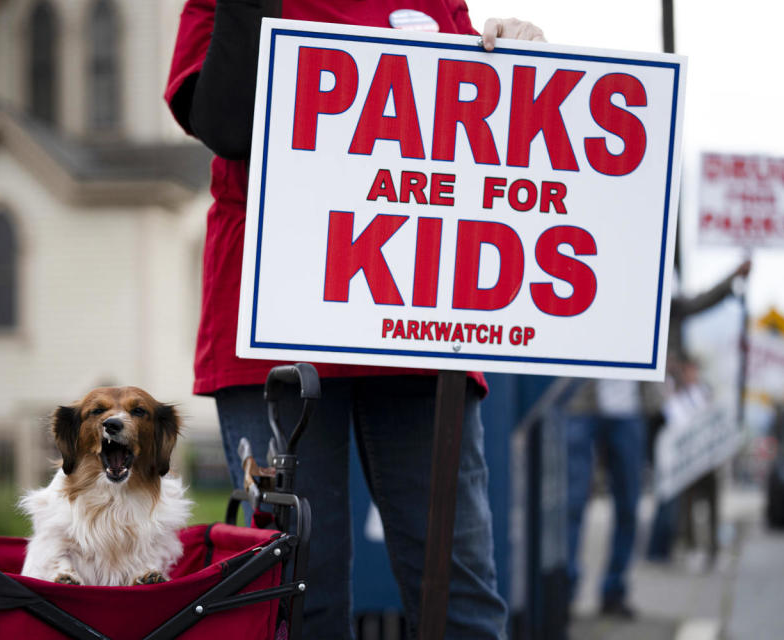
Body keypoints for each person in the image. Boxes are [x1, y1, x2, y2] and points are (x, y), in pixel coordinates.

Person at [164, 3, 544, 638]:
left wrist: (515, 64)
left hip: (420, 335)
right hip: (274, 337)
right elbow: (226, 123)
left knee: (460, 595)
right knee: (296, 600)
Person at [646, 259, 751, 563]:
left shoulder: (673, 311)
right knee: (671, 484)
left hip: (672, 411)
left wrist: (732, 277)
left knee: (680, 484)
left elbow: (702, 300)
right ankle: (666, 545)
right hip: (656, 408)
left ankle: (674, 545)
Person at [564, 377, 662, 618]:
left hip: (630, 408)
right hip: (582, 403)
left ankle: (614, 590)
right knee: (573, 504)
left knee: (629, 506)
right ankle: (565, 591)